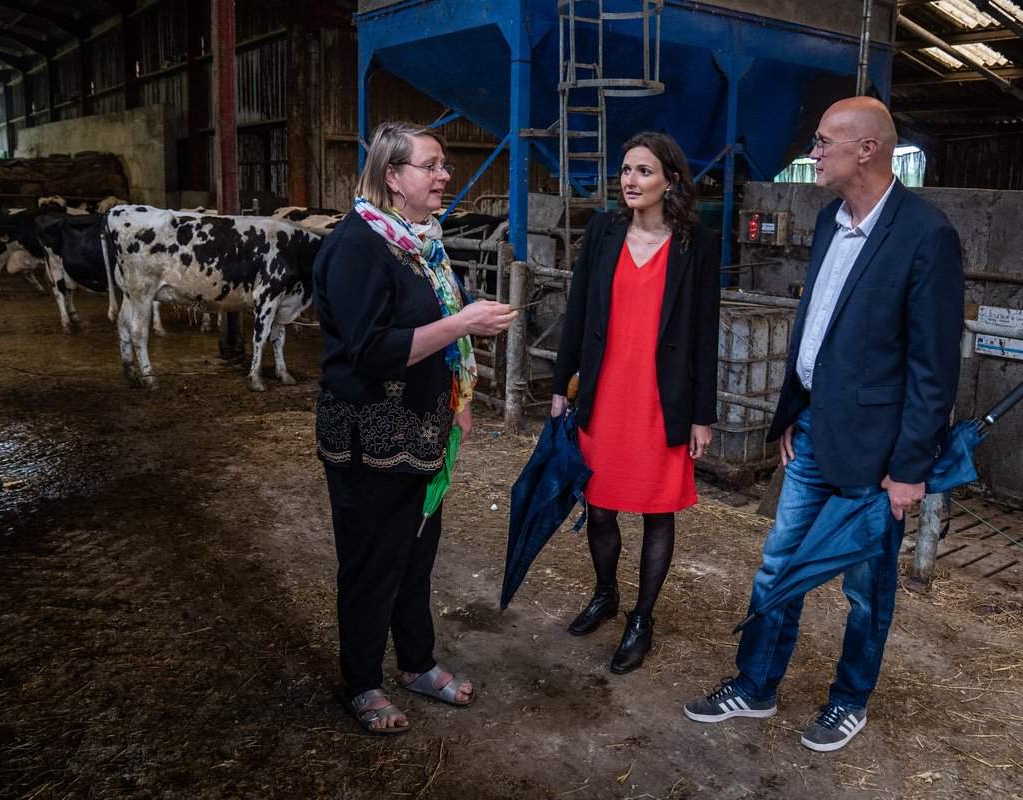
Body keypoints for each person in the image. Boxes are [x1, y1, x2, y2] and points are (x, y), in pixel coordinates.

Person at [683, 96, 965, 751]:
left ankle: (848, 700)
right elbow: (818, 329)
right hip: (810, 435)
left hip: (876, 456)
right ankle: (755, 684)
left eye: (821, 142)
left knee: (867, 587)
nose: (811, 153)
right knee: (779, 563)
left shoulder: (926, 235)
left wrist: (910, 470)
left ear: (866, 149)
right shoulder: (833, 221)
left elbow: (932, 366)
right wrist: (793, 413)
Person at [312, 121, 517, 734]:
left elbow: (427, 336)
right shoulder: (358, 246)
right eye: (431, 165)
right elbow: (373, 352)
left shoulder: (419, 243)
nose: (444, 175)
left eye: (444, 164)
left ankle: (416, 663)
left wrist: (456, 398)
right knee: (372, 562)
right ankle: (362, 681)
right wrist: (464, 324)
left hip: (421, 431)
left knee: (415, 554)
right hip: (368, 438)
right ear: (393, 178)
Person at [551, 131, 721, 675]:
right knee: (598, 505)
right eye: (626, 170)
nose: (630, 180)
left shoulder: (696, 244)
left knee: (656, 512)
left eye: (644, 171)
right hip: (605, 394)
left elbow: (704, 334)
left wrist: (702, 414)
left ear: (670, 179)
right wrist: (560, 388)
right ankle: (606, 594)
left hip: (660, 400)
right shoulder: (602, 232)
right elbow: (576, 313)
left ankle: (642, 619)